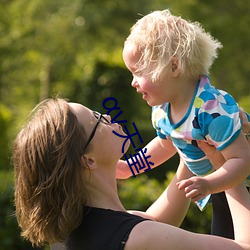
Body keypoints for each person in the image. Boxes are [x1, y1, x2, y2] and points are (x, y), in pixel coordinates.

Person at [13, 98, 250, 250]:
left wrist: (190, 139)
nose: (108, 117)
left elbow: (156, 221)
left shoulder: (74, 233)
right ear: (88, 160)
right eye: (98, 120)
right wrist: (226, 165)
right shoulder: (138, 238)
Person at [119, 9, 250, 239]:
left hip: (239, 186)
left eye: (138, 72)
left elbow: (242, 160)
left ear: (173, 67)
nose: (132, 83)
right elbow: (165, 145)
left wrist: (209, 184)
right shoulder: (162, 110)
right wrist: (130, 167)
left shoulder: (210, 109)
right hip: (220, 190)